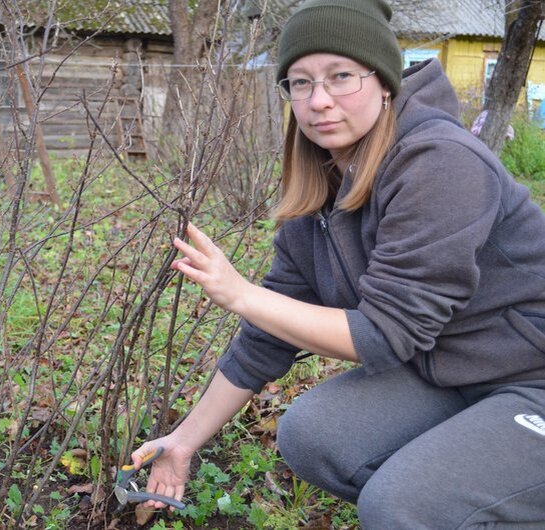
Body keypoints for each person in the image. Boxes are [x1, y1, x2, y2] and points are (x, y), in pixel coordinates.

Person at [131, 0, 545, 527]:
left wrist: (240, 292)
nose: (318, 100)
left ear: (384, 82)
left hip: (534, 381)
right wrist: (183, 442)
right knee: (316, 436)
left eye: (341, 76)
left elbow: (384, 334)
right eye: (300, 82)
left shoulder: (442, 162)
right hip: (455, 376)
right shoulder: (322, 190)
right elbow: (265, 339)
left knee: (401, 504)